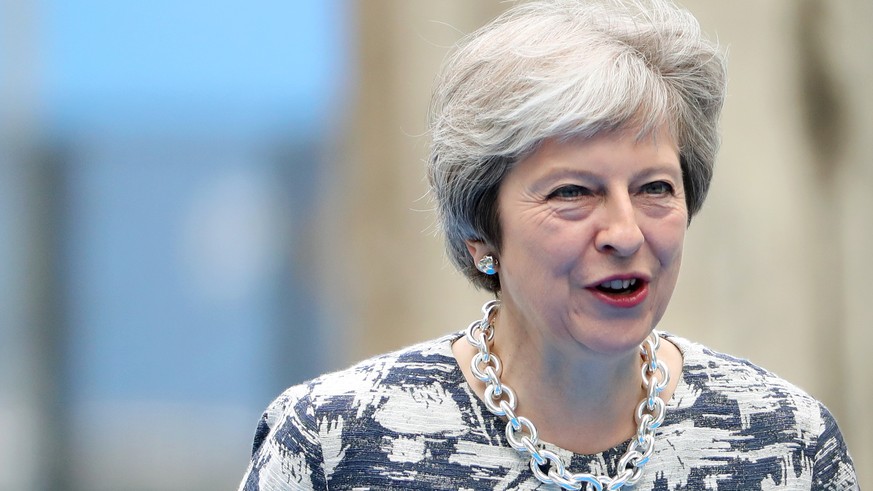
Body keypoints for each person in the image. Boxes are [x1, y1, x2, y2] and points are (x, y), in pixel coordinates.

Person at [238, 0, 858, 489]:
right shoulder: (338, 443)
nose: (624, 232)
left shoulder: (785, 443)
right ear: (482, 228)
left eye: (654, 188)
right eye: (571, 193)